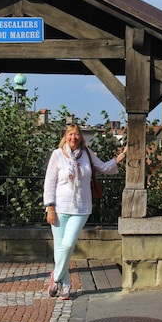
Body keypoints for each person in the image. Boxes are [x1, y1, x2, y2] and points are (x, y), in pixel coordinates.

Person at [43, 123, 126, 300]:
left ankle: (55, 277)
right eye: (70, 134)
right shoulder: (57, 155)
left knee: (68, 244)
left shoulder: (87, 154)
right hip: (59, 208)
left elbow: (104, 167)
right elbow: (49, 182)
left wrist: (122, 156)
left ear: (81, 137)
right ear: (65, 136)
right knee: (59, 248)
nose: (74, 138)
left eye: (77, 135)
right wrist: (50, 207)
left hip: (81, 207)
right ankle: (65, 286)